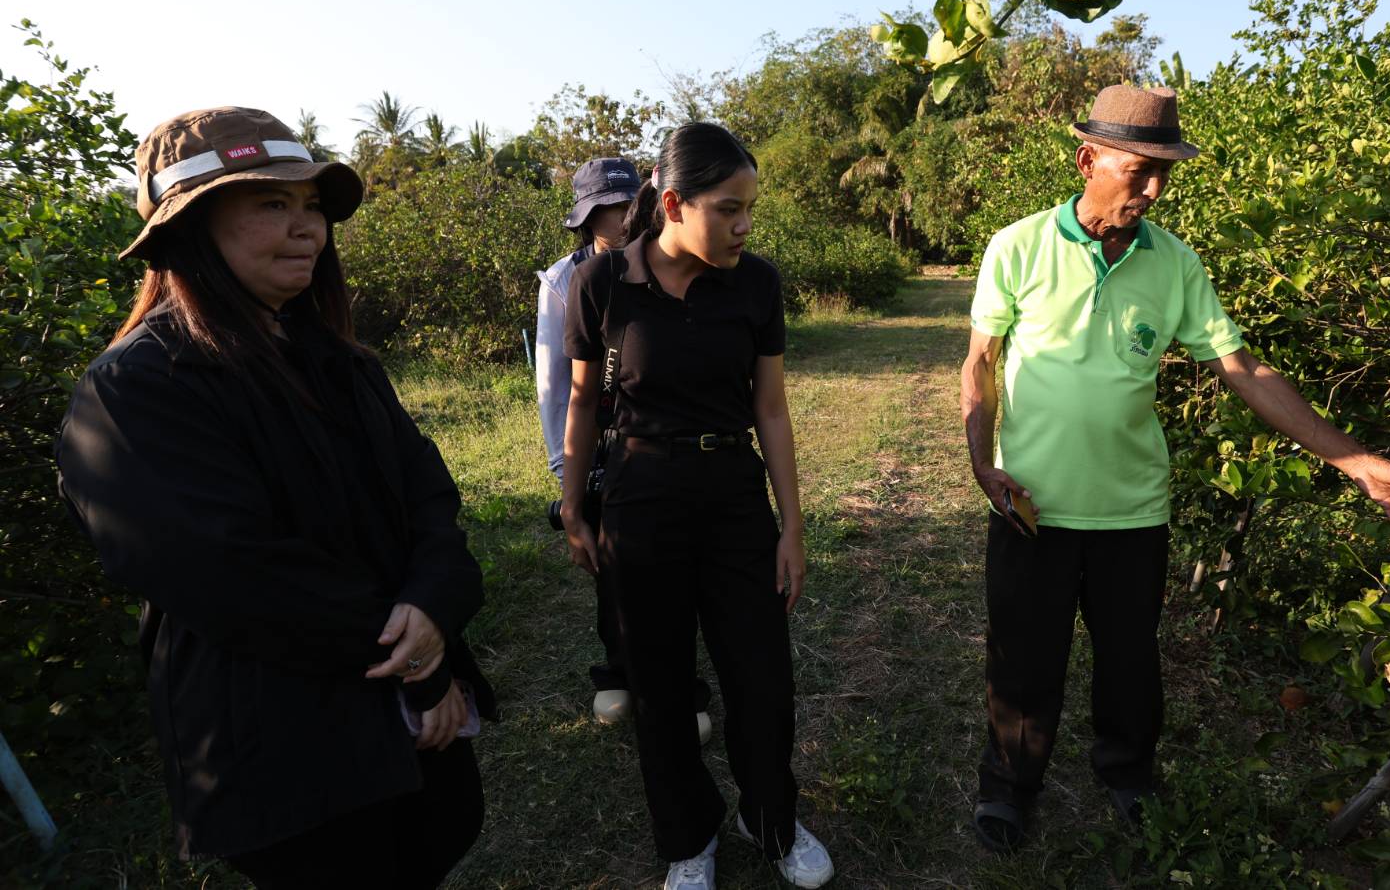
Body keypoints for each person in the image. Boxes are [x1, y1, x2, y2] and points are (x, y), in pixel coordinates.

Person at [960, 85, 1390, 852]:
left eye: (1166, 173)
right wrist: (981, 462)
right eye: (1139, 172)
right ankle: (1009, 789)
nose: (1154, 190)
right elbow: (979, 363)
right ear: (1087, 159)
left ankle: (1127, 777)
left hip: (1131, 508)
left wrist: (1354, 459)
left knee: (1130, 664)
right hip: (1031, 503)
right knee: (1023, 662)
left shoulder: (1174, 263)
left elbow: (1243, 368)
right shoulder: (1018, 245)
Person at [56, 106, 494, 889]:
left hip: (404, 721)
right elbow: (230, 572)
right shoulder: (135, 389)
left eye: (312, 207)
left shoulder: (337, 358)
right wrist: (416, 664)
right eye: (270, 204)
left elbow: (429, 496)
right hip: (285, 749)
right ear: (188, 229)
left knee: (430, 844)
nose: (307, 230)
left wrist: (434, 601)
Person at [558, 123, 833, 890]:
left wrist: (792, 526)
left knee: (760, 677)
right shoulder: (603, 283)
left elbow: (770, 410)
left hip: (733, 497)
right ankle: (688, 834)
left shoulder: (756, 283)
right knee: (659, 682)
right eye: (728, 208)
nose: (745, 225)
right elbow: (584, 401)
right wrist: (573, 503)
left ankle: (770, 815)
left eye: (750, 208)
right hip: (639, 499)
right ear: (673, 203)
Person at [536, 156, 712, 739]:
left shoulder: (670, 267)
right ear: (585, 220)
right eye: (601, 212)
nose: (615, 222)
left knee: (676, 569)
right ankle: (618, 671)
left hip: (660, 443)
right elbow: (557, 385)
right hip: (599, 444)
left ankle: (683, 687)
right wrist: (569, 475)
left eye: (622, 206)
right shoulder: (566, 280)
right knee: (613, 572)